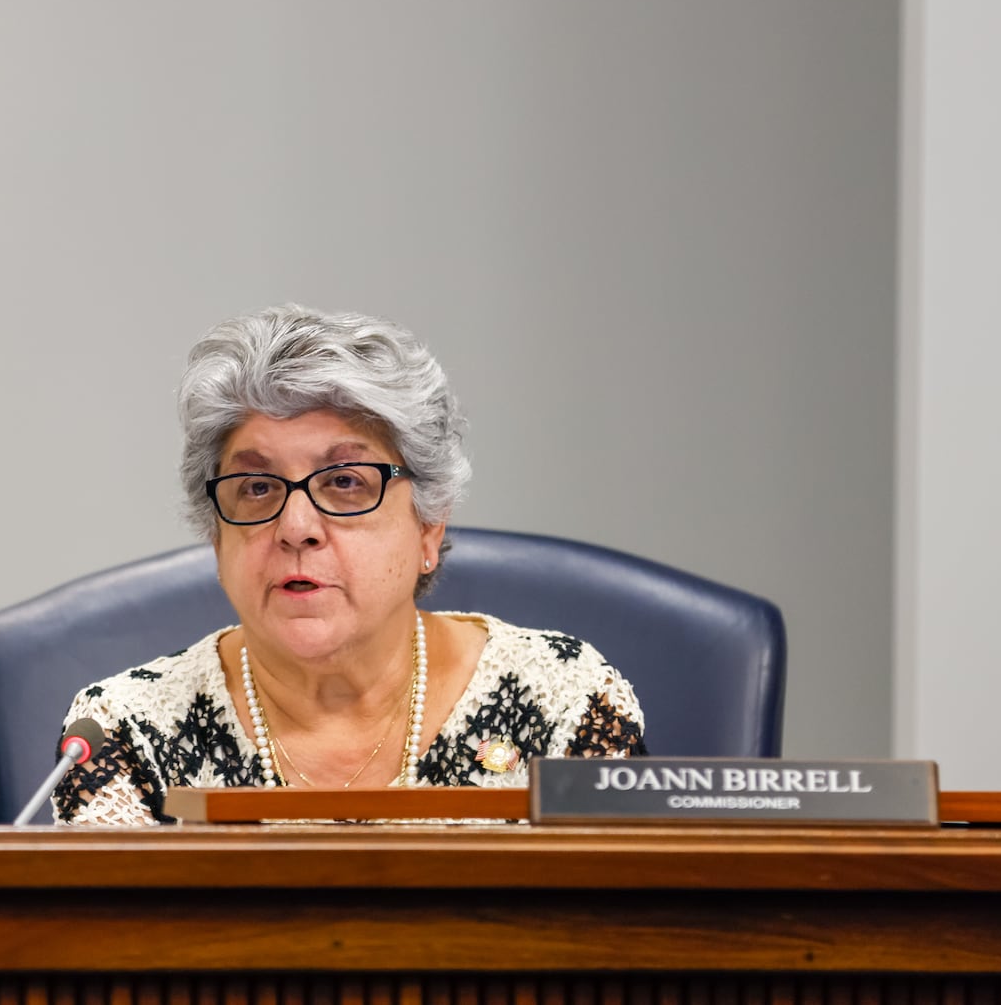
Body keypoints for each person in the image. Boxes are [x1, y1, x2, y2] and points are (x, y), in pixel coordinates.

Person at [53, 305, 645, 826]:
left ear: (428, 527)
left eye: (344, 482)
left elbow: (622, 933)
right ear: (216, 540)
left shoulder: (562, 700)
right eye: (257, 487)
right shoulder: (121, 731)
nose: (296, 528)